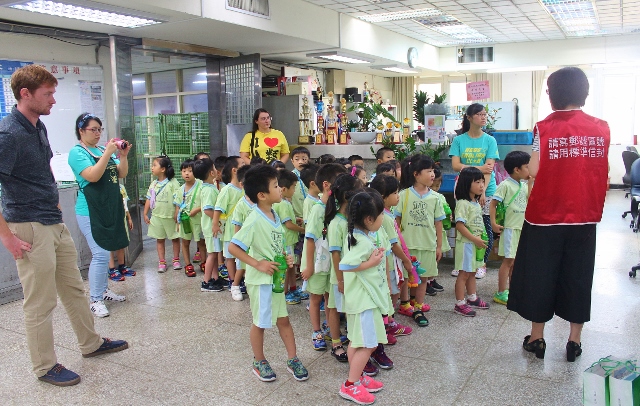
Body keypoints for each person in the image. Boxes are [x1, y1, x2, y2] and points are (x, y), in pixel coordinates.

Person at [0, 64, 127, 386]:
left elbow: (41, 169)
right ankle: (44, 366)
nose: (53, 100)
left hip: (53, 222)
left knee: (73, 289)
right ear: (25, 94)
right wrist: (8, 237)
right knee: (40, 302)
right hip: (28, 226)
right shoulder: (9, 133)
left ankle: (91, 343)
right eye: (48, 94)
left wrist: (53, 199)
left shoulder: (37, 127)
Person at [507, 67, 610, 362]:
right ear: (584, 92)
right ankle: (574, 341)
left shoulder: (545, 127)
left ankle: (537, 338)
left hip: (545, 216)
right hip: (585, 214)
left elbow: (535, 169)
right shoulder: (601, 127)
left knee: (541, 275)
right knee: (578, 276)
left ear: (554, 94)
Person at [229, 165, 309, 382]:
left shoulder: (274, 214)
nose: (280, 189)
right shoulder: (254, 219)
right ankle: (259, 360)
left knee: (283, 320)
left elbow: (277, 244)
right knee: (261, 322)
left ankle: (292, 358)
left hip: (275, 280)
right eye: (275, 186)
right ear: (262, 195)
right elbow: (234, 247)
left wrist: (286, 257)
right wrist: (258, 264)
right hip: (260, 281)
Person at [68, 112, 131, 317]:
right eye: (92, 129)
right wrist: (107, 154)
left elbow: (121, 174)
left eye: (99, 129)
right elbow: (93, 176)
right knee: (101, 253)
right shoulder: (77, 153)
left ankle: (103, 291)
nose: (97, 133)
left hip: (108, 209)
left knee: (108, 250)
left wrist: (122, 156)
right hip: (89, 211)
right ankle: (95, 299)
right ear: (81, 131)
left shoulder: (104, 149)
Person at [338, 191, 388, 405]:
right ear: (368, 219)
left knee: (357, 342)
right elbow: (345, 265)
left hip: (359, 299)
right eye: (380, 215)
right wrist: (371, 263)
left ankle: (358, 378)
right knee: (368, 344)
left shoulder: (358, 235)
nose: (383, 218)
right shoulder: (363, 242)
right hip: (364, 301)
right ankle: (350, 385)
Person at [449, 103, 500, 279]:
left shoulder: (490, 140)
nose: (483, 117)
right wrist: (479, 167)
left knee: (485, 228)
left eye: (485, 114)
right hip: (464, 191)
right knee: (463, 225)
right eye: (479, 114)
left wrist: (483, 192)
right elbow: (456, 166)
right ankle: (461, 264)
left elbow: (490, 169)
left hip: (487, 189)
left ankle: (481, 263)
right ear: (469, 118)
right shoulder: (459, 140)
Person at [301, 164, 347, 351]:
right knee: (315, 298)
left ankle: (330, 327)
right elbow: (310, 239)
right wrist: (309, 267)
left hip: (330, 261)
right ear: (327, 185)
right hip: (316, 262)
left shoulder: (336, 206)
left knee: (330, 297)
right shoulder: (318, 209)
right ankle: (316, 330)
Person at [395, 154, 445, 327]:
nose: (432, 174)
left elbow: (438, 223)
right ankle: (405, 304)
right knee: (405, 279)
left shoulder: (435, 198)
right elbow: (397, 222)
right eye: (428, 170)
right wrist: (398, 245)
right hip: (407, 246)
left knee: (423, 278)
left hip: (428, 245)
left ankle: (418, 308)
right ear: (416, 174)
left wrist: (439, 246)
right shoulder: (403, 195)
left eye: (433, 171)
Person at [324, 173, 362, 363]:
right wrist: (340, 279)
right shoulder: (336, 223)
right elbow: (335, 254)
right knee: (335, 308)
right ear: (348, 196)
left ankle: (354, 339)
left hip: (352, 274)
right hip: (340, 276)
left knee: (349, 307)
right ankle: (336, 343)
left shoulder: (353, 219)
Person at [489, 151, 530, 305]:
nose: (529, 170)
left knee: (515, 261)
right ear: (517, 169)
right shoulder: (505, 185)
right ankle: (501, 292)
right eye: (527, 167)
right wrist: (493, 223)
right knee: (508, 260)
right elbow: (493, 203)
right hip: (510, 228)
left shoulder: (523, 185)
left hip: (521, 228)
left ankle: (513, 290)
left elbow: (530, 200)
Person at [452, 167, 490, 317]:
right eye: (477, 182)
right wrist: (474, 239)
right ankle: (459, 303)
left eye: (482, 181)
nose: (481, 185)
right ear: (467, 183)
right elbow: (460, 226)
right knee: (464, 274)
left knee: (472, 271)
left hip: (475, 244)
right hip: (467, 244)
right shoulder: (462, 203)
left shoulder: (474, 202)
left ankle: (472, 297)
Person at [143, 155, 182, 273]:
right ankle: (162, 262)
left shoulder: (173, 183)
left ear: (163, 169)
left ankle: (176, 260)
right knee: (159, 239)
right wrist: (145, 213)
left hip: (170, 217)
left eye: (154, 165)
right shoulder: (153, 184)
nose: (152, 167)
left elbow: (178, 199)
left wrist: (176, 212)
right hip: (157, 216)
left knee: (175, 238)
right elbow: (149, 198)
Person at [273, 170, 306, 305]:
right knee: (287, 267)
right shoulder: (284, 204)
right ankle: (285, 292)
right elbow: (288, 224)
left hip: (288, 240)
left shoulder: (282, 202)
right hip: (286, 241)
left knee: (291, 266)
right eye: (293, 187)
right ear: (285, 189)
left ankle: (292, 288)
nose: (294, 191)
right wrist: (303, 230)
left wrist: (296, 219)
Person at [213, 156, 246, 289]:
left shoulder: (244, 188)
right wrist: (215, 224)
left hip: (243, 228)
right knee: (230, 257)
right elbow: (218, 208)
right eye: (242, 164)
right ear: (234, 170)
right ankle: (234, 281)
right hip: (230, 230)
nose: (245, 165)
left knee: (242, 255)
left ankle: (241, 279)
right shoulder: (227, 189)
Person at [194, 157, 226, 292]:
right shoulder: (208, 190)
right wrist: (216, 219)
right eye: (214, 168)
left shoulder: (208, 187)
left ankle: (215, 277)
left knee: (213, 252)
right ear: (211, 173)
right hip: (211, 227)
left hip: (212, 226)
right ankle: (206, 282)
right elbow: (207, 209)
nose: (216, 170)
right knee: (212, 255)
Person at [173, 159, 205, 277]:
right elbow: (177, 205)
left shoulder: (201, 186)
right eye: (184, 171)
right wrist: (176, 217)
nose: (187, 173)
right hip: (185, 220)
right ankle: (188, 264)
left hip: (198, 220)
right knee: (185, 242)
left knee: (201, 242)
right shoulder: (180, 190)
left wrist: (197, 210)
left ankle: (204, 262)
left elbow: (206, 203)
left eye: (190, 171)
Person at [230, 164, 255, 299]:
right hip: (244, 243)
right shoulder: (241, 205)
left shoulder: (260, 202)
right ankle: (235, 286)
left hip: (256, 242)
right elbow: (237, 226)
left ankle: (249, 285)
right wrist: (238, 245)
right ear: (242, 185)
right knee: (241, 266)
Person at [429, 167, 450, 292]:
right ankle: (427, 281)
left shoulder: (440, 196)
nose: (436, 188)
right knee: (430, 257)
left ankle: (432, 279)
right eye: (433, 186)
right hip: (431, 230)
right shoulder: (430, 196)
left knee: (437, 256)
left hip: (439, 229)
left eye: (438, 185)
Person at [108, 182, 135, 278]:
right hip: (110, 219)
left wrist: (129, 218)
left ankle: (122, 266)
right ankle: (111, 269)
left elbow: (125, 204)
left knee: (121, 243)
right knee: (109, 245)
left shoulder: (121, 187)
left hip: (121, 218)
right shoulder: (105, 187)